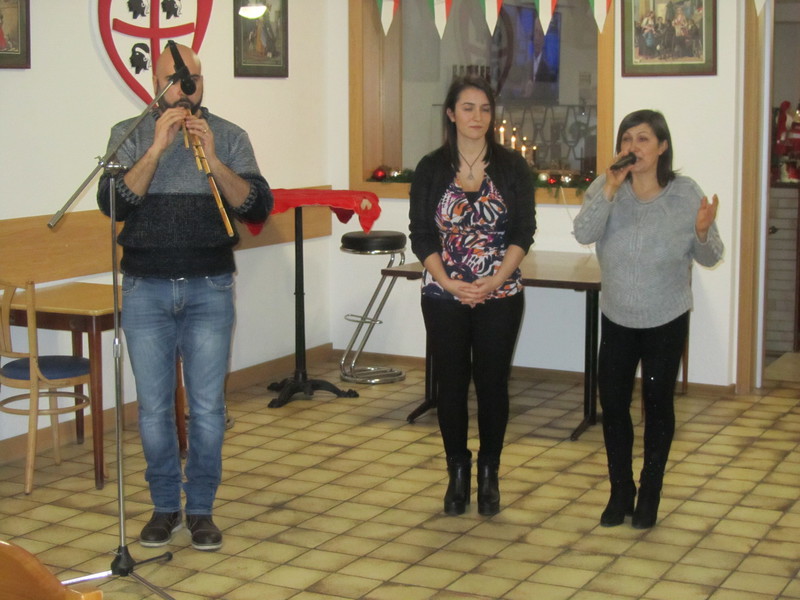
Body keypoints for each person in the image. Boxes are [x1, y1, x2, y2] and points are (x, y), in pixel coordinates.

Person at [97, 43, 272, 550]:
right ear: (155, 85)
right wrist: (156, 148)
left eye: (189, 80)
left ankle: (200, 510)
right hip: (145, 287)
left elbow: (257, 205)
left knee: (208, 409)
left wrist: (212, 157)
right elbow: (113, 204)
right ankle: (163, 507)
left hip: (208, 285)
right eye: (171, 81)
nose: (182, 90)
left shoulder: (229, 135)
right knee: (153, 409)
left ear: (201, 82)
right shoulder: (128, 134)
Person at [573, 109, 723, 529]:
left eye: (642, 139)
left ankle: (650, 491)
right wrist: (608, 189)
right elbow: (583, 234)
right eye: (626, 139)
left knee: (657, 405)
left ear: (662, 147)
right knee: (613, 405)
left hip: (665, 318)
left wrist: (702, 232)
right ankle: (621, 490)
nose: (632, 147)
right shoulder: (606, 187)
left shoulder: (685, 193)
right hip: (617, 316)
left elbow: (711, 255)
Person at [408, 75, 536, 517]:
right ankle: (457, 472)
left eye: (484, 109)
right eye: (468, 108)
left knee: (493, 384)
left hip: (500, 292)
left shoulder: (512, 166)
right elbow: (421, 234)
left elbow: (524, 231)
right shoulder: (431, 167)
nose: (477, 117)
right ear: (451, 113)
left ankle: (489, 472)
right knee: (451, 384)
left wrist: (497, 279)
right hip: (443, 294)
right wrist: (448, 282)